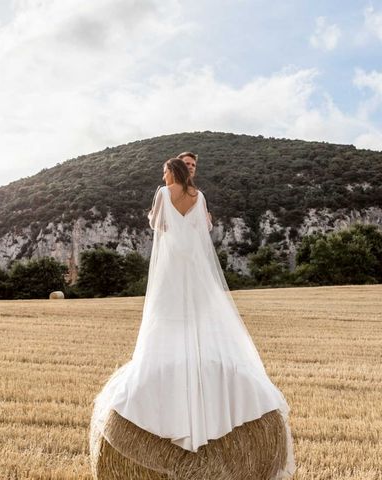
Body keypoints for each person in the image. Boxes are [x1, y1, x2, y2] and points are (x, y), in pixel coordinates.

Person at [91, 158, 296, 478]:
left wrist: (154, 214)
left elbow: (157, 225)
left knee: (166, 322)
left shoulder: (162, 193)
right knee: (199, 323)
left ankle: (171, 387)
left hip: (171, 269)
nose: (162, 175)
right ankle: (204, 387)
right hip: (196, 271)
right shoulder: (199, 198)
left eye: (164, 171)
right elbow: (203, 230)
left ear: (172, 172)